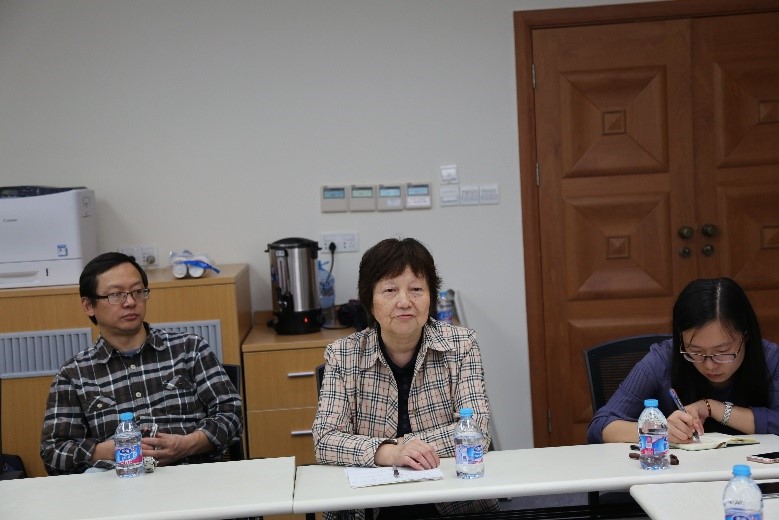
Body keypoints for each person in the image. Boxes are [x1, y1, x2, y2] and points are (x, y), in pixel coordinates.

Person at [312, 237, 498, 520]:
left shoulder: (461, 345)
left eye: (416, 289)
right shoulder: (343, 355)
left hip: (451, 502)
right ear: (370, 301)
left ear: (431, 296)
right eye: (390, 290)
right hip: (370, 507)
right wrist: (389, 453)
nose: (404, 302)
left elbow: (478, 431)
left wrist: (405, 448)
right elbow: (325, 440)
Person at [40, 252, 242, 475]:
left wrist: (187, 444)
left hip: (192, 477)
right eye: (116, 295)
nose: (130, 302)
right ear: (88, 305)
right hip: (117, 487)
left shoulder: (189, 348)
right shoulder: (74, 374)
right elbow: (53, 453)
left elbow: (231, 414)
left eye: (138, 292)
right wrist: (104, 451)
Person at [588, 277, 779, 444]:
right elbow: (600, 425)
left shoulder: (771, 359)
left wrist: (713, 408)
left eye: (722, 351)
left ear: (746, 336)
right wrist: (659, 429)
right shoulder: (663, 360)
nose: (709, 364)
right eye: (695, 351)